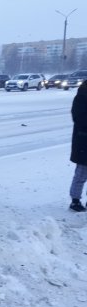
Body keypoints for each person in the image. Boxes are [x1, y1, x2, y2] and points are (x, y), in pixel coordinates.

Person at [69, 80, 87, 212]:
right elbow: (79, 117)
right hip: (83, 141)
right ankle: (75, 201)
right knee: (81, 174)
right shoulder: (81, 97)